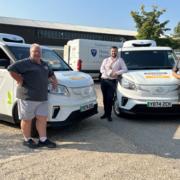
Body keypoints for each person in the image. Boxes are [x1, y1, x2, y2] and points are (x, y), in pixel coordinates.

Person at [8, 43, 58, 148]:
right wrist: (19, 79)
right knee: (27, 119)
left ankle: (43, 139)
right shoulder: (25, 63)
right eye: (34, 51)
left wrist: (54, 80)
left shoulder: (44, 64)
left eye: (39, 51)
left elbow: (50, 72)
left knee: (42, 119)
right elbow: (11, 69)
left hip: (42, 97)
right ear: (30, 52)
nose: (37, 53)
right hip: (28, 97)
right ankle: (27, 139)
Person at [100, 46, 127, 121]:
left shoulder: (120, 60)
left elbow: (125, 69)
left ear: (117, 52)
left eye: (115, 51)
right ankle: (105, 113)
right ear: (110, 52)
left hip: (112, 81)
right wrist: (108, 72)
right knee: (105, 98)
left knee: (110, 98)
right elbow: (101, 69)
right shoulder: (106, 60)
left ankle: (109, 115)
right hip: (104, 80)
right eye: (112, 51)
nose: (113, 52)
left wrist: (116, 73)